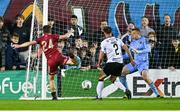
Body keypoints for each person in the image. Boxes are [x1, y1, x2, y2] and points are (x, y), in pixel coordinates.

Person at [13, 25, 77, 100]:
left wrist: (19, 45)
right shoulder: (53, 36)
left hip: (50, 61)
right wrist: (70, 31)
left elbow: (29, 43)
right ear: (50, 31)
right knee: (74, 63)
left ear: (43, 32)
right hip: (58, 57)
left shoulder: (40, 39)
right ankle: (72, 57)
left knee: (51, 79)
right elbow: (65, 36)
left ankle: (54, 97)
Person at [119, 28, 162, 98]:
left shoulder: (145, 40)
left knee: (145, 77)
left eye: (133, 34)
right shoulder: (132, 43)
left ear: (137, 34)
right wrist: (119, 57)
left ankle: (157, 94)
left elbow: (148, 49)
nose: (132, 35)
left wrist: (139, 51)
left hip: (143, 63)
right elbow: (127, 55)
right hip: (135, 62)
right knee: (122, 73)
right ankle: (127, 92)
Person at [96, 26, 134, 100]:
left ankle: (99, 97)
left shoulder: (104, 42)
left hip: (111, 63)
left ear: (104, 33)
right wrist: (131, 59)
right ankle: (126, 90)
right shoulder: (118, 40)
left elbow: (101, 55)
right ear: (111, 32)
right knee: (113, 79)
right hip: (120, 64)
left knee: (101, 78)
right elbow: (126, 49)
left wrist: (99, 63)